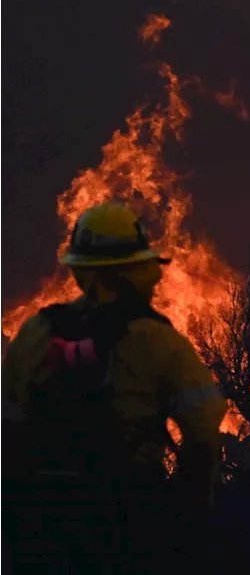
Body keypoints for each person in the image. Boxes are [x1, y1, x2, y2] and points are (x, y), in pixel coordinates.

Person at [0, 202, 227, 574]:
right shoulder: (158, 340)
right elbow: (202, 435)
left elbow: (6, 429)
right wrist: (188, 516)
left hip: (44, 527)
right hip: (128, 523)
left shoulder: (35, 335)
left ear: (79, 270)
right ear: (136, 270)